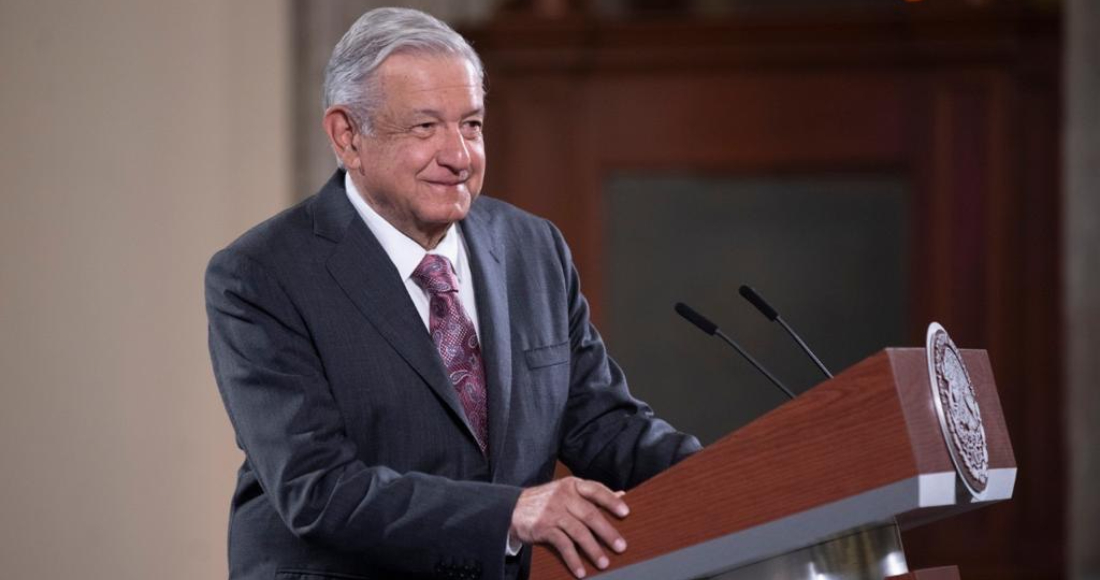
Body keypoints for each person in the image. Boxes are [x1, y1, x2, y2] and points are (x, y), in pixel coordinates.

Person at [205, 7, 700, 580]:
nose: (459, 156)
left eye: (471, 125)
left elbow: (602, 426)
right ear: (348, 136)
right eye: (425, 127)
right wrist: (510, 513)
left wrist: (739, 473)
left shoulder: (533, 247)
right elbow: (318, 489)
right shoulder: (261, 275)